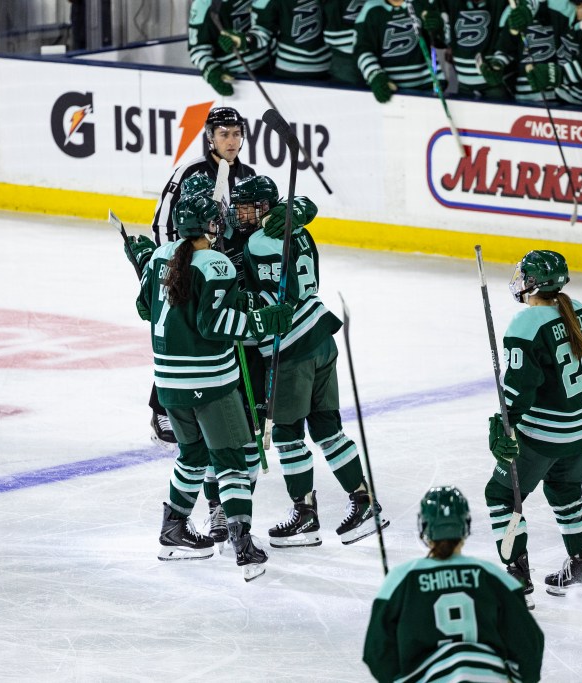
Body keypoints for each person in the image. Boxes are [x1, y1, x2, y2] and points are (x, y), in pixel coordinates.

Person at [135, 190, 293, 579]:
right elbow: (214, 324)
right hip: (210, 382)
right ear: (209, 226)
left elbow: (144, 308)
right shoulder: (216, 263)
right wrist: (260, 321)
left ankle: (173, 530)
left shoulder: (159, 256)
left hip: (168, 383)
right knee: (232, 460)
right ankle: (242, 543)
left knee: (193, 456)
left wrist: (145, 267)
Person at [238, 175, 391, 547]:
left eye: (246, 208)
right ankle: (364, 502)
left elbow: (275, 300)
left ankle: (305, 516)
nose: (240, 214)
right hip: (321, 336)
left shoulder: (259, 241)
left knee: (287, 433)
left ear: (264, 207)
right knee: (327, 429)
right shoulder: (301, 231)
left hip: (291, 348)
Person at [484, 250, 582, 604]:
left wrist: (502, 426)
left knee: (500, 495)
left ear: (532, 284)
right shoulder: (579, 310)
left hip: (545, 434)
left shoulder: (526, 324)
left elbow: (520, 390)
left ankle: (517, 578)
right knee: (565, 492)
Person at [148, 106, 255, 449]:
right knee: (178, 334)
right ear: (210, 137)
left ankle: (222, 406)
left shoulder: (248, 175)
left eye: (236, 134)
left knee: (218, 335)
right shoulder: (190, 171)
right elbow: (163, 222)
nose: (231, 141)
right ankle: (161, 409)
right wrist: (173, 267)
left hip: (223, 272)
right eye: (224, 134)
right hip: (187, 270)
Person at [363, 486, 545, 683]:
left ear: (424, 526)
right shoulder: (496, 578)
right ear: (465, 525)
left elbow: (376, 652)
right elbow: (529, 646)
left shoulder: (400, 579)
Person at [354, 0, 438, 103]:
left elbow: (445, 42)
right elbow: (362, 49)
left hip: (430, 89)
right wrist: (374, 75)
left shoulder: (423, 3)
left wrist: (439, 28)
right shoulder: (370, 9)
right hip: (390, 91)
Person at [188, 0, 271, 96]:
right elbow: (198, 48)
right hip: (236, 78)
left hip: (272, 68)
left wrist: (246, 40)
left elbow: (271, 28)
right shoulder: (203, 4)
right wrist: (212, 70)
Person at [436, 0, 512, 100]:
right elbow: (443, 40)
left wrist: (498, 63)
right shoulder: (452, 4)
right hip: (462, 85)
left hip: (493, 86)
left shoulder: (501, 4)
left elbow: (509, 42)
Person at [248, 0, 332, 80]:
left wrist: (246, 41)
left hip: (292, 68)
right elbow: (261, 32)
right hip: (321, 66)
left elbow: (261, 33)